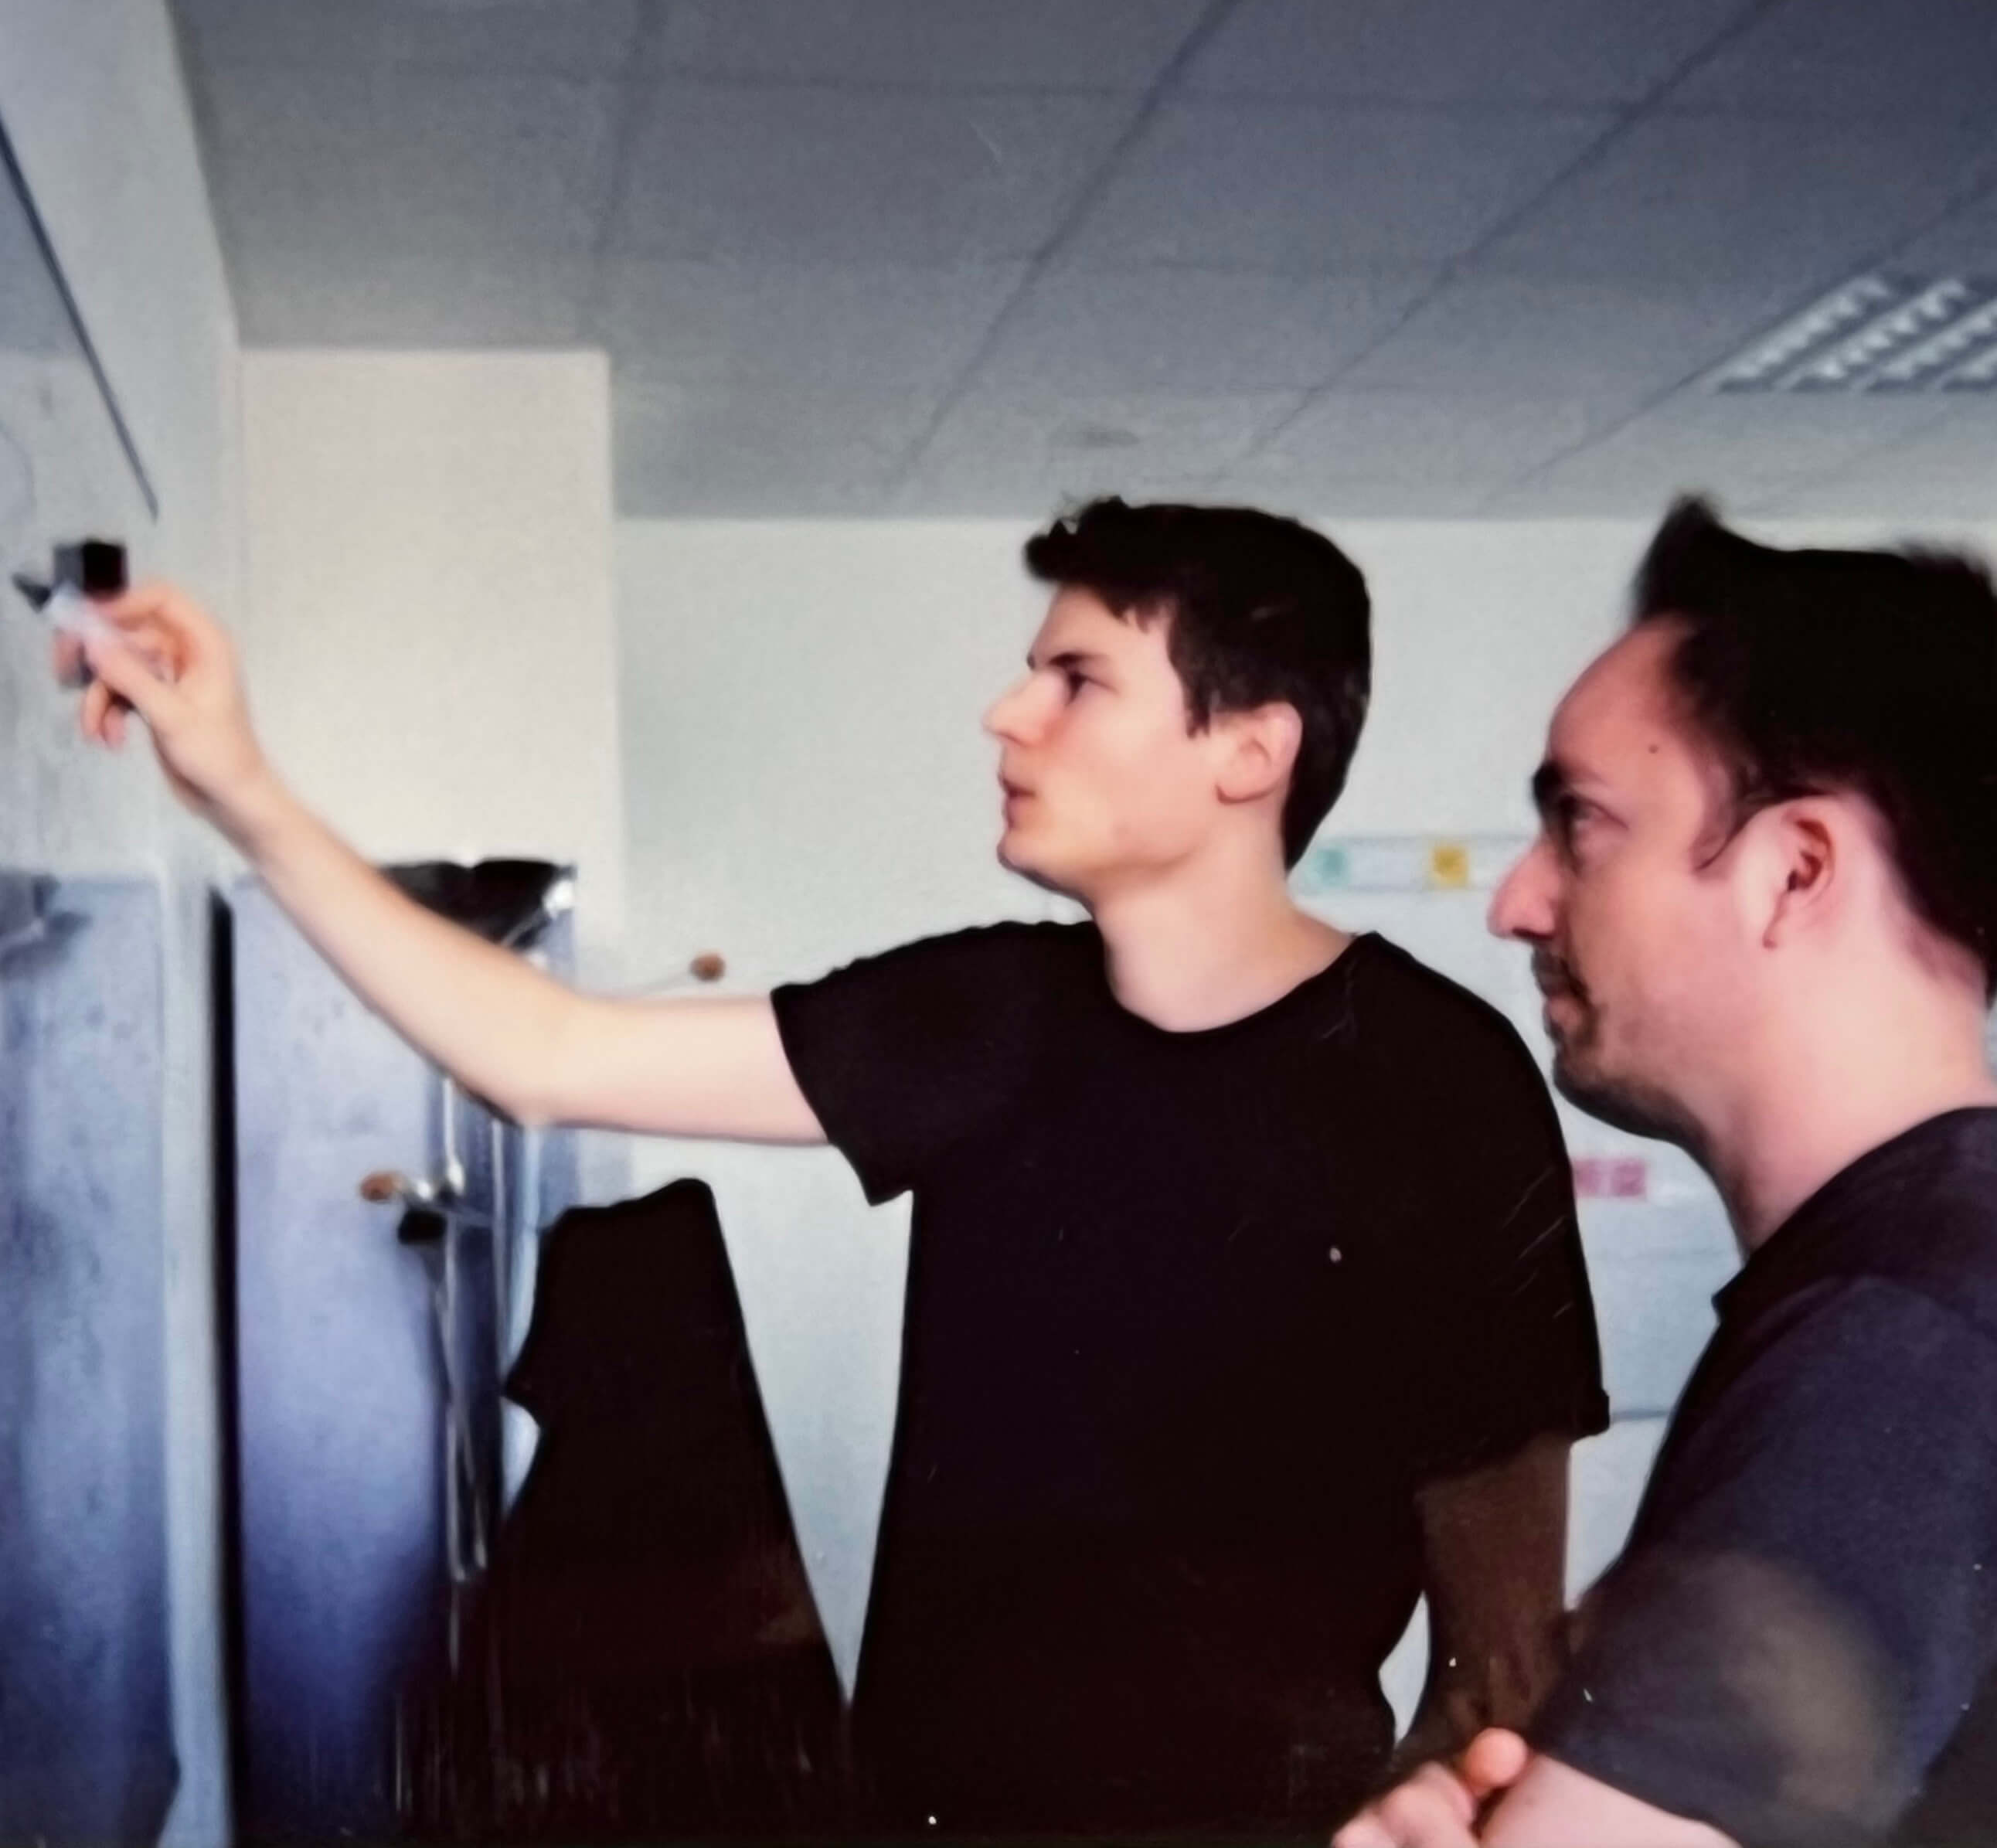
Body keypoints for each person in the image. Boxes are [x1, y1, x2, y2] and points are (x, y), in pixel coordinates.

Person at [74, 499, 1605, 1842]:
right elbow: (540, 1049)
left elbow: (1498, 1660)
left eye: (1074, 679)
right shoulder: (988, 1017)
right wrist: (238, 785)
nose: (1005, 714)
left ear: (1247, 749)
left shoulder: (1433, 1082)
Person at [1337, 499, 1997, 1848]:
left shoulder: (1894, 1340)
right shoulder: (1923, 1285)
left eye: (1580, 824)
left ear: (1794, 873)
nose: (1517, 901)